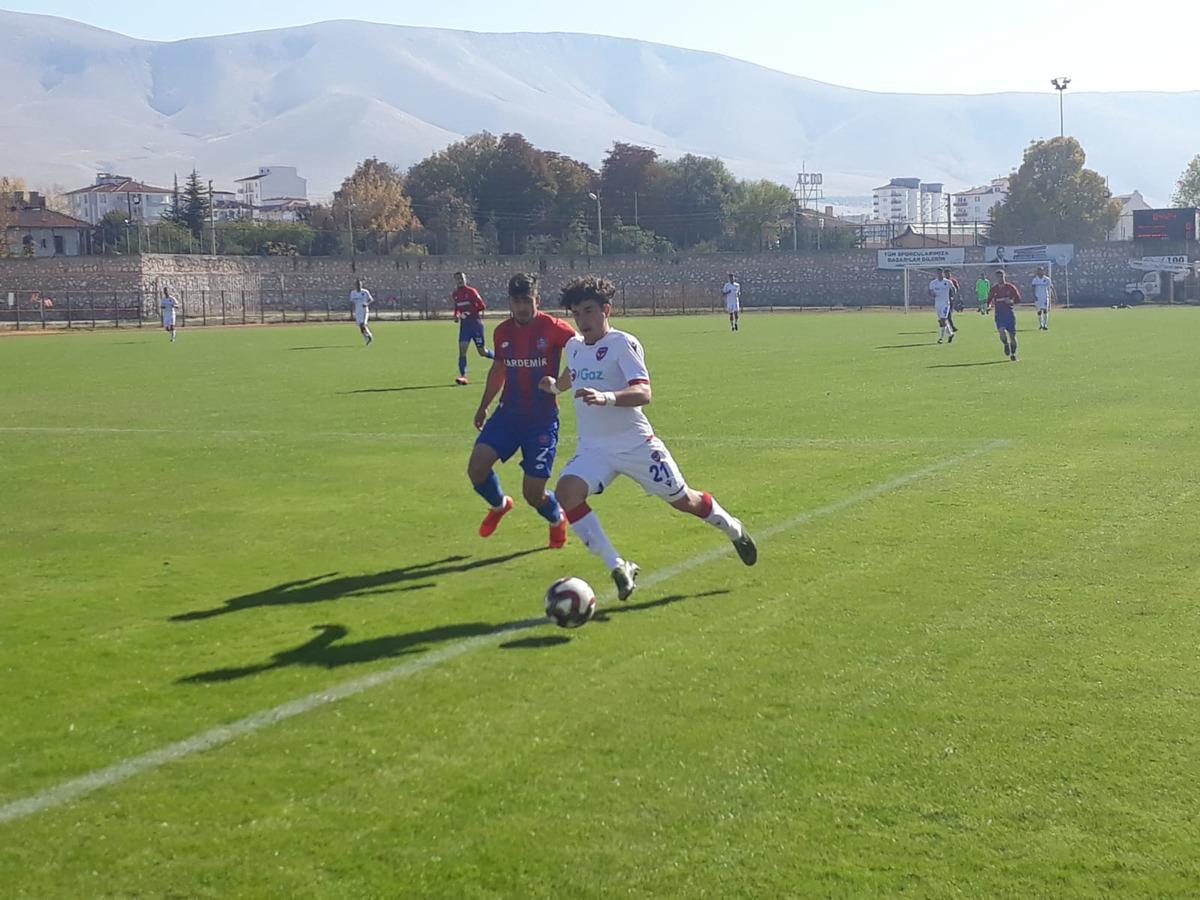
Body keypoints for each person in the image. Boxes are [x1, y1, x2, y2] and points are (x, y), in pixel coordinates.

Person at [541, 275, 757, 602]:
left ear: (606, 310)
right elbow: (575, 372)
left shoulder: (623, 344)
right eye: (576, 313)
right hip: (595, 449)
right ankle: (619, 565)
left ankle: (732, 528)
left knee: (685, 501)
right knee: (566, 493)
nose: (582, 320)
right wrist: (556, 387)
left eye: (588, 311)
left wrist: (608, 397)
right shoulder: (573, 347)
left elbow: (643, 391)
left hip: (636, 446)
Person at [467, 273, 576, 549]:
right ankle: (499, 503)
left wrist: (560, 385)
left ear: (536, 299)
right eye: (516, 301)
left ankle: (555, 518)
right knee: (477, 467)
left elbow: (581, 353)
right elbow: (498, 369)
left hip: (541, 421)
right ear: (510, 303)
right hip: (507, 415)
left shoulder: (554, 328)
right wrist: (483, 406)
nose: (522, 307)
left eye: (527, 300)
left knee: (533, 493)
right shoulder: (502, 331)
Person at [452, 272, 495, 385]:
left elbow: (482, 306)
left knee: (482, 352)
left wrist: (468, 312)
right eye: (457, 279)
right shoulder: (455, 294)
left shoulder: (471, 291)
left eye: (461, 278)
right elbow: (457, 307)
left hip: (476, 326)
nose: (460, 280)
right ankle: (463, 376)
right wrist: (456, 315)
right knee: (462, 351)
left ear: (465, 279)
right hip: (465, 327)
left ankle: (501, 358)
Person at [987, 268, 1021, 361]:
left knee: (1012, 336)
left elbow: (1018, 299)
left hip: (1009, 314)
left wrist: (1010, 300)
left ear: (1004, 276)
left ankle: (1013, 354)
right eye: (998, 277)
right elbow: (989, 300)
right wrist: (989, 306)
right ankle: (1006, 344)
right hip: (999, 314)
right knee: (1002, 332)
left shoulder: (1010, 287)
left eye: (1001, 276)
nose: (1000, 278)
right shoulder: (994, 289)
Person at [928, 268, 956, 344]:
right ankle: (951, 334)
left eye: (940, 273)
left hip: (946, 303)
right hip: (937, 304)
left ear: (943, 273)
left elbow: (953, 289)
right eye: (938, 273)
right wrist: (932, 294)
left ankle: (941, 338)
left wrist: (952, 296)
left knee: (943, 320)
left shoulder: (947, 282)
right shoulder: (933, 283)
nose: (939, 274)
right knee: (941, 321)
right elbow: (930, 292)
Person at [349, 278, 374, 346]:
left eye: (359, 284)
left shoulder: (365, 292)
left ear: (361, 285)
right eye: (357, 285)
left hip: (364, 310)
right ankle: (367, 337)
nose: (358, 286)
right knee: (361, 326)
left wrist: (366, 303)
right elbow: (352, 301)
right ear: (355, 285)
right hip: (358, 311)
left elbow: (371, 299)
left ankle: (369, 336)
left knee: (363, 324)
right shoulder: (353, 293)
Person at [1031, 266, 1055, 331]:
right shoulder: (1035, 280)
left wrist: (1054, 295)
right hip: (1038, 297)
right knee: (1039, 311)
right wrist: (1034, 296)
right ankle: (1040, 325)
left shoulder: (1047, 279)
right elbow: (1032, 289)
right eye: (1038, 271)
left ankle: (1045, 325)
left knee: (1045, 310)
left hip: (1045, 297)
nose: (1040, 272)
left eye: (1041, 270)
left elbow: (1051, 288)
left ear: (1043, 271)